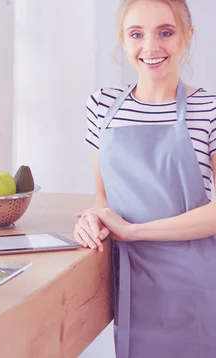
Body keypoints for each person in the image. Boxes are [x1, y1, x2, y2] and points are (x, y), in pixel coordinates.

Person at [73, 0, 216, 357]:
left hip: (192, 282)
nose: (150, 47)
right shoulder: (101, 107)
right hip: (128, 279)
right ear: (123, 40)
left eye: (165, 32)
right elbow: (102, 198)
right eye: (136, 34)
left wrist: (133, 232)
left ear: (187, 37)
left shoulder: (209, 109)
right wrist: (92, 220)